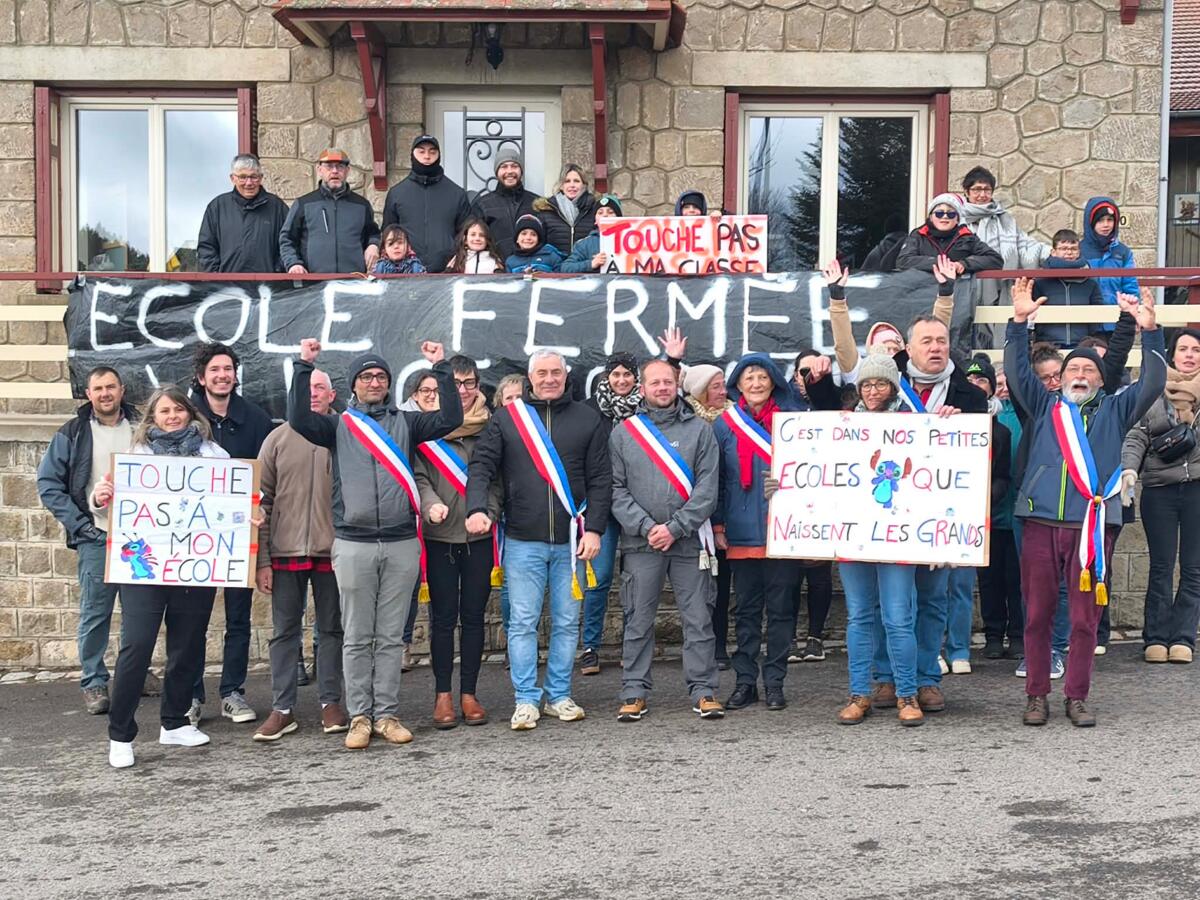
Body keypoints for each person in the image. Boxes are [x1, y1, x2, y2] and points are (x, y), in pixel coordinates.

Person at [288, 338, 462, 749]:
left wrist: (441, 367)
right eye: (366, 376)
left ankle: (385, 714)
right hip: (354, 543)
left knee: (390, 637)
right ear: (353, 384)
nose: (374, 382)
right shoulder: (338, 426)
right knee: (355, 636)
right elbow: (298, 419)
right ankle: (359, 717)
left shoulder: (408, 423)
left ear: (388, 383)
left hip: (401, 542)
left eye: (381, 376)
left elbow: (450, 417)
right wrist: (302, 365)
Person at [1006, 277, 1165, 727]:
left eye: (1089, 370)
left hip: (1091, 528)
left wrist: (1150, 331)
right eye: (1073, 368)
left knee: (1083, 619)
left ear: (1101, 379)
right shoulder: (1044, 406)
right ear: (1061, 378)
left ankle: (1076, 695)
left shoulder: (1117, 409)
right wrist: (1018, 323)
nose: (1080, 374)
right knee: (1037, 616)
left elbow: (1153, 381)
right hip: (1040, 522)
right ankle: (1036, 694)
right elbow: (1016, 372)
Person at [465, 350, 611, 731]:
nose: (549, 379)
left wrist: (595, 529)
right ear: (530, 378)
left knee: (567, 622)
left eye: (555, 372)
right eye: (542, 373)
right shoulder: (507, 419)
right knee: (523, 623)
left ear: (566, 375)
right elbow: (481, 466)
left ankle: (559, 695)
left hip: (572, 542)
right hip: (522, 540)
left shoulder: (587, 418)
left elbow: (600, 478)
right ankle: (526, 700)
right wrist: (476, 507)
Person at [100, 386, 243, 768]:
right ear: (153, 417)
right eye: (164, 411)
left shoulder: (215, 455)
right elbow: (110, 499)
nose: (173, 416)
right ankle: (120, 734)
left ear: (191, 414)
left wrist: (250, 514)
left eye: (179, 409)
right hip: (144, 569)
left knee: (188, 644)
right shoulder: (136, 457)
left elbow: (233, 504)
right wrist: (101, 495)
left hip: (195, 566)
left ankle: (175, 721)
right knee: (137, 646)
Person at [870, 308, 988, 714]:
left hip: (941, 518)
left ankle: (926, 679)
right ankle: (887, 676)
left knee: (934, 599)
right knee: (890, 603)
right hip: (889, 515)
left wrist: (959, 429)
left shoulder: (970, 396)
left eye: (941, 341)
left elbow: (979, 460)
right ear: (909, 347)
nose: (936, 348)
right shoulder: (887, 388)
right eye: (927, 342)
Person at [609, 359, 724, 721]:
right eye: (654, 383)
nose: (662, 388)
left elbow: (708, 489)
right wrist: (647, 527)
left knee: (698, 619)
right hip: (641, 544)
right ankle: (634, 691)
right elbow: (615, 490)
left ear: (677, 385)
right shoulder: (623, 433)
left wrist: (675, 527)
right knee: (637, 620)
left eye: (668, 382)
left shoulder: (700, 431)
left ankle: (704, 690)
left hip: (689, 542)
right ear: (642, 388)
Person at [37, 367, 152, 715]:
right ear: (88, 394)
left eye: (110, 387)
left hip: (140, 538)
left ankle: (135, 673)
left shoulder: (143, 427)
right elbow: (49, 484)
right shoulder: (73, 432)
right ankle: (93, 681)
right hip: (97, 536)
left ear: (121, 390)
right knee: (95, 614)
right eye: (98, 388)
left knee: (139, 613)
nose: (105, 393)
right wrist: (80, 525)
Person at [252, 368, 347, 743]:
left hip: (333, 552)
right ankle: (282, 708)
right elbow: (261, 503)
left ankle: (331, 702)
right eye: (306, 388)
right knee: (284, 632)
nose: (313, 394)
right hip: (284, 551)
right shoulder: (276, 439)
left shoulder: (344, 434)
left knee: (332, 630)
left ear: (332, 395)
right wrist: (262, 561)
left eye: (320, 387)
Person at [187, 342, 275, 727]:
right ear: (201, 376)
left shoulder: (255, 418)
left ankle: (232, 693)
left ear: (235, 375)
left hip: (240, 535)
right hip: (195, 537)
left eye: (228, 369)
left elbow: (266, 477)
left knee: (239, 618)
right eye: (215, 370)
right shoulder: (186, 417)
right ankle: (191, 695)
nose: (222, 376)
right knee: (193, 620)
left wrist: (262, 507)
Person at [834, 354, 924, 727]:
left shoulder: (916, 425)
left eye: (881, 384)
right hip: (853, 535)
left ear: (893, 388)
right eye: (867, 384)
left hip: (898, 537)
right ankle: (860, 693)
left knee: (898, 618)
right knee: (858, 615)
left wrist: (948, 423)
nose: (873, 391)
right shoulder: (841, 426)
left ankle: (907, 693)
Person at [413, 354, 503, 728]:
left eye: (468, 383)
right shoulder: (425, 428)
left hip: (478, 538)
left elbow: (497, 479)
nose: (462, 390)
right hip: (439, 537)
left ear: (478, 386)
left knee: (474, 617)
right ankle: (442, 696)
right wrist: (429, 504)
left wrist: (489, 512)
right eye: (454, 383)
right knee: (443, 619)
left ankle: (469, 693)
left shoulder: (491, 428)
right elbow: (418, 477)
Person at [712, 353, 803, 711]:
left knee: (781, 610)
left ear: (774, 381)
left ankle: (775, 681)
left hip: (784, 530)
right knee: (746, 612)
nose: (756, 384)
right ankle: (745, 682)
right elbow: (717, 480)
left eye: (762, 377)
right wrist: (718, 524)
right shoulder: (724, 425)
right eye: (748, 377)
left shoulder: (794, 421)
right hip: (741, 531)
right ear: (738, 384)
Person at [1121, 326, 1200, 664]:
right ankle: (1155, 637)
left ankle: (1183, 637)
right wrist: (1129, 470)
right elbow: (1137, 435)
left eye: (1196, 350)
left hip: (1197, 487)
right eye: (1183, 349)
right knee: (1161, 566)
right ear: (1172, 354)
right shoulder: (1153, 389)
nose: (1189, 355)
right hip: (1158, 489)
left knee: (1194, 568)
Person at [942, 357, 1013, 673]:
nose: (974, 386)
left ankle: (959, 650)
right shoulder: (940, 420)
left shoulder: (1000, 432)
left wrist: (984, 498)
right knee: (930, 590)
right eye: (969, 381)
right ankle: (932, 649)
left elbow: (1002, 477)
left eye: (982, 380)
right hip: (932, 514)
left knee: (961, 586)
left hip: (970, 516)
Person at [578, 352, 642, 676]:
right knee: (598, 578)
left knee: (635, 580)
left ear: (636, 377)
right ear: (606, 377)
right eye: (615, 374)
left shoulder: (645, 409)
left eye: (627, 374)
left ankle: (633, 645)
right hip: (600, 505)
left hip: (636, 504)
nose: (621, 380)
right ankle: (590, 647)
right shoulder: (588, 411)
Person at [785, 348, 839, 664]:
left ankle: (815, 637)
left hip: (824, 499)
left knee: (819, 575)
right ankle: (790, 636)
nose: (810, 377)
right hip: (790, 499)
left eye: (816, 371)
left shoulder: (834, 401)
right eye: (804, 372)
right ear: (795, 376)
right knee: (790, 576)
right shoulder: (782, 405)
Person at [825, 256, 954, 385]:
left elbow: (936, 330)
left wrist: (946, 293)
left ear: (908, 352)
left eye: (896, 350)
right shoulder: (859, 373)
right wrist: (837, 298)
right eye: (885, 350)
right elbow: (843, 342)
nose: (891, 356)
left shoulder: (915, 376)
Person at [971, 359, 1024, 661]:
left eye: (1006, 384)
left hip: (1015, 512)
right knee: (989, 580)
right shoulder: (969, 419)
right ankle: (993, 634)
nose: (1003, 389)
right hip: (986, 515)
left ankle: (1017, 634)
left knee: (1016, 578)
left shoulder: (1022, 416)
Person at [682, 363, 733, 671]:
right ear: (700, 391)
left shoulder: (733, 420)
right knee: (696, 590)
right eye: (716, 387)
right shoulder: (684, 421)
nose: (723, 392)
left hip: (721, 514)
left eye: (723, 385)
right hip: (690, 518)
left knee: (720, 585)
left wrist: (719, 522)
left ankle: (719, 645)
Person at [280, 148, 381, 275]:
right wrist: (293, 263)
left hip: (353, 281)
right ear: (319, 170)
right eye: (329, 166)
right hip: (313, 281)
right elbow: (287, 239)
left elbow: (373, 233)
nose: (334, 171)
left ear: (347, 171)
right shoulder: (303, 204)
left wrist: (373, 245)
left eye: (340, 166)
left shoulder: (361, 205)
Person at [958, 165, 1048, 307]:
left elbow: (1024, 244)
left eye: (987, 190)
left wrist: (1052, 253)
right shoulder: (956, 218)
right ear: (966, 191)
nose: (982, 195)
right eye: (977, 189)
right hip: (964, 285)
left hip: (998, 286)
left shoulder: (1004, 219)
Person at [381, 134, 471, 275]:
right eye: (421, 151)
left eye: (432, 152)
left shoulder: (457, 193)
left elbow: (467, 235)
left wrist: (457, 260)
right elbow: (388, 234)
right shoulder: (397, 194)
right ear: (412, 155)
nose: (427, 156)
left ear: (439, 156)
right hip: (406, 274)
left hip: (447, 273)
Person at [197, 153, 289, 273]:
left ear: (261, 178)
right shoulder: (217, 207)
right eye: (243, 177)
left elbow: (289, 242)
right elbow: (206, 248)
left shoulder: (277, 207)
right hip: (227, 283)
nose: (249, 183)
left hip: (268, 283)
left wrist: (277, 272)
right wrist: (217, 276)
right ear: (232, 178)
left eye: (254, 177)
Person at [490, 373, 527, 644]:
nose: (514, 403)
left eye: (520, 397)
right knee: (509, 585)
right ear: (500, 402)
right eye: (509, 398)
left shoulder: (542, 428)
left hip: (533, 512)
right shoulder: (495, 429)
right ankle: (514, 643)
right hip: (505, 513)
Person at [1032, 229, 1106, 347]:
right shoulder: (1041, 281)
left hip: (1081, 344)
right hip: (1048, 345)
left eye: (1073, 249)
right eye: (1063, 248)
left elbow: (1097, 312)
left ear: (1079, 252)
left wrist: (1090, 339)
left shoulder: (1090, 282)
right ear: (1053, 252)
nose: (1069, 252)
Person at [897, 194, 1004, 274]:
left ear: (957, 219)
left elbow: (995, 259)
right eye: (939, 213)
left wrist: (963, 264)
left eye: (951, 214)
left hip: (958, 292)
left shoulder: (967, 237)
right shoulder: (918, 235)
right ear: (931, 217)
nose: (945, 217)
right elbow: (903, 261)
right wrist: (939, 263)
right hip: (922, 291)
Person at [470, 147, 538, 258]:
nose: (509, 171)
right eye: (504, 167)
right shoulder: (483, 205)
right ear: (497, 172)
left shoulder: (536, 203)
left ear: (521, 171)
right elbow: (471, 239)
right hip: (495, 266)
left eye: (514, 166)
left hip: (531, 266)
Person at [1081, 196, 1139, 311]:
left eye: (1110, 220)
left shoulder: (1123, 252)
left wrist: (1131, 312)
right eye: (1100, 220)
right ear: (1090, 223)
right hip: (1086, 315)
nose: (1106, 225)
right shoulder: (1078, 251)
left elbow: (1130, 287)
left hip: (1116, 314)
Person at [533, 164, 595, 256]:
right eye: (567, 181)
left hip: (587, 264)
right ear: (561, 186)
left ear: (584, 185)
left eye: (576, 181)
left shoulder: (594, 210)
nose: (572, 185)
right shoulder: (546, 211)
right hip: (555, 264)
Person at [560, 194, 622, 274]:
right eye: (600, 213)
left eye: (610, 212)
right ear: (595, 221)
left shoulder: (631, 240)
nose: (605, 215)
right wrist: (591, 263)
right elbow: (566, 268)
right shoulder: (584, 244)